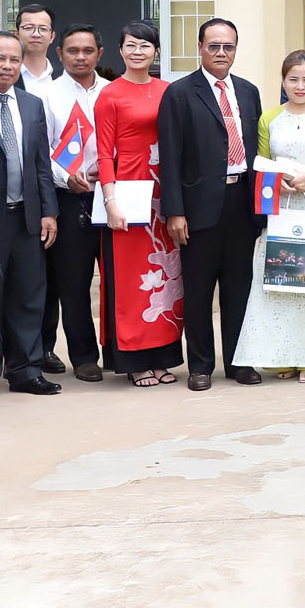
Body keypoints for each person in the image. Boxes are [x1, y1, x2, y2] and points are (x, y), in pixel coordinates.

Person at [159, 18, 264, 387]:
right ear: (200, 48)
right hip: (198, 206)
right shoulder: (179, 93)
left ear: (236, 49)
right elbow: (170, 156)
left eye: (228, 47)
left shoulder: (249, 92)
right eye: (214, 46)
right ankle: (200, 366)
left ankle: (239, 362)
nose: (221, 53)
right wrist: (174, 210)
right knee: (199, 291)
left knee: (239, 288)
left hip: (242, 202)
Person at [236, 51, 305, 381]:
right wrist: (278, 182)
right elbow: (261, 161)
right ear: (283, 81)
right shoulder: (268, 118)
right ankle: (281, 356)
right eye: (293, 79)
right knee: (280, 279)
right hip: (281, 207)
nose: (300, 86)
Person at [0, 31, 61, 402]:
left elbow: (41, 163)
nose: (7, 66)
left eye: (14, 60)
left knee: (29, 295)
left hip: (27, 217)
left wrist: (49, 211)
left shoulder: (32, 104)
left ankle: (25, 370)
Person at [93, 22, 185, 388]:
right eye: (131, 45)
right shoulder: (110, 95)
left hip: (165, 190)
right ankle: (133, 358)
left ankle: (163, 356)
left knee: (169, 273)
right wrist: (111, 200)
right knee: (131, 278)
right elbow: (103, 154)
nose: (138, 52)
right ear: (120, 50)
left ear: (156, 52)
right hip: (129, 191)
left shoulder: (169, 91)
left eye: (145, 46)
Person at [36, 25, 107, 382]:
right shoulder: (46, 96)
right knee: (73, 283)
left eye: (88, 50)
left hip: (111, 198)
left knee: (116, 279)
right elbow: (41, 151)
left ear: (100, 53)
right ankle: (83, 356)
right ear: (60, 53)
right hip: (68, 198)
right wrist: (68, 177)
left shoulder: (112, 92)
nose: (81, 57)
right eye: (73, 50)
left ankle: (121, 352)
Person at [13, 4, 59, 98]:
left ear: (52, 37)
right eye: (28, 28)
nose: (36, 34)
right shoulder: (5, 74)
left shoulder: (65, 76)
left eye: (43, 29)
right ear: (17, 35)